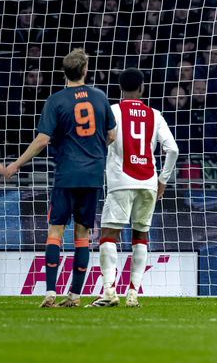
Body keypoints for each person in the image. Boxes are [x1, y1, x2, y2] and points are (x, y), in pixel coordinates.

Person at [3, 48, 117, 308]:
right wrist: (95, 153)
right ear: (85, 70)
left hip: (66, 174)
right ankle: (75, 296)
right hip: (92, 176)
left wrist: (16, 164)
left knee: (55, 232)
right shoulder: (100, 97)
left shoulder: (55, 100)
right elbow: (111, 135)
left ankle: (50, 293)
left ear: (64, 73)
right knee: (82, 236)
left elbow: (42, 140)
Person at [86, 68, 179, 308]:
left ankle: (109, 291)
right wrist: (163, 180)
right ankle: (133, 294)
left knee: (108, 234)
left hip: (120, 182)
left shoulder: (112, 112)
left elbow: (98, 144)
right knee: (141, 237)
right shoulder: (155, 115)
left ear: (120, 88)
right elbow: (173, 150)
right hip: (148, 182)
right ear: (142, 88)